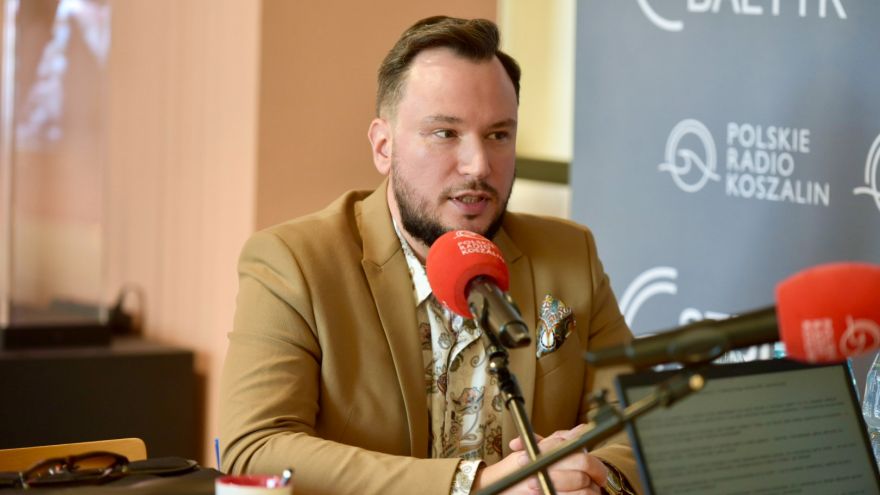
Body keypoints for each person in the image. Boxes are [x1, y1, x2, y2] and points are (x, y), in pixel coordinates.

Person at [220, 15, 640, 495]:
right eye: (445, 133)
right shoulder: (294, 262)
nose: (478, 165)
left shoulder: (569, 255)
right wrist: (475, 485)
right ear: (384, 146)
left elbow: (637, 421)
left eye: (498, 135)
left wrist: (592, 474)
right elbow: (255, 445)